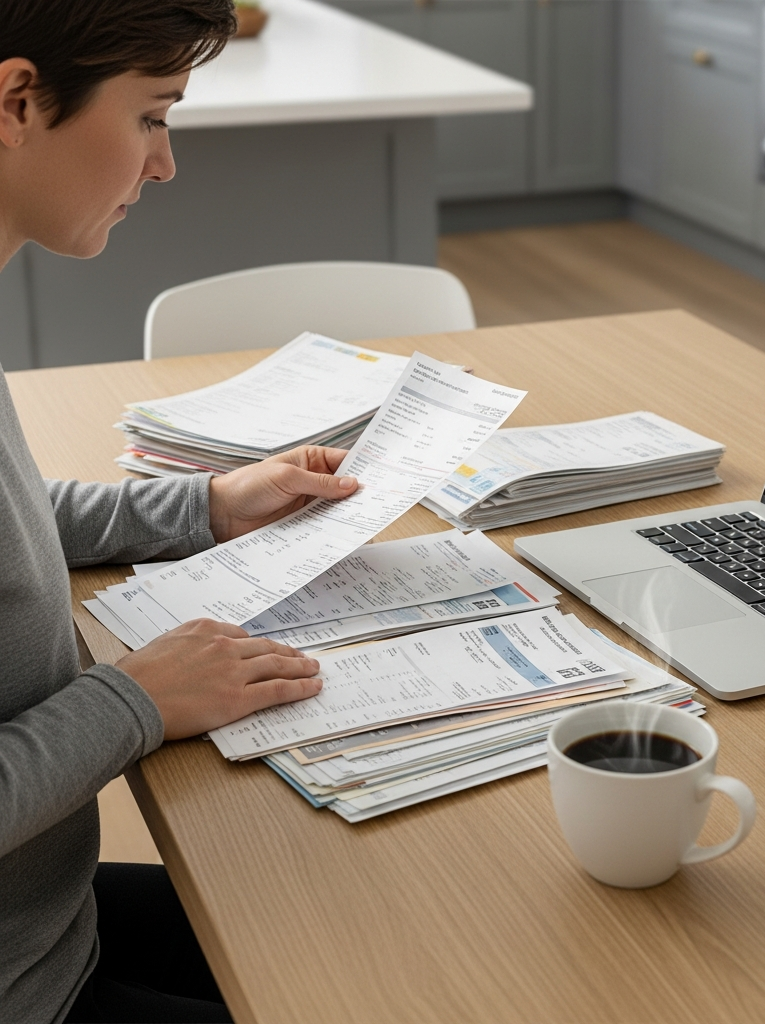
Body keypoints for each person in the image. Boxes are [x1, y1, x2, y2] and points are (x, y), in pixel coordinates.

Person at [0, 2, 362, 1020]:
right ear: (17, 101)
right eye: (153, 117)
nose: (164, 165)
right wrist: (138, 698)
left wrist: (206, 505)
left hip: (46, 919)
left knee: (376, 937)